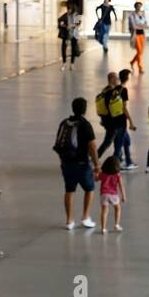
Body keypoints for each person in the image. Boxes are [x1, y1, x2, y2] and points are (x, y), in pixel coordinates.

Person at [53, 96, 99, 230]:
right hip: (82, 164)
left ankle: (69, 221)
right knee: (89, 189)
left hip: (67, 163)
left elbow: (59, 144)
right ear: (85, 110)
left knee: (69, 190)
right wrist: (96, 165)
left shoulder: (64, 123)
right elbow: (93, 146)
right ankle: (85, 217)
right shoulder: (85, 124)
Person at [98, 156, 126, 234]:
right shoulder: (117, 175)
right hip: (113, 194)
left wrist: (97, 172)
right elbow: (121, 186)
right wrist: (123, 196)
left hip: (104, 194)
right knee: (117, 208)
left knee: (104, 211)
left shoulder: (103, 174)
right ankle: (116, 225)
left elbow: (96, 179)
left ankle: (103, 228)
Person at [57, 1, 80, 70]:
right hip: (66, 34)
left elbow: (78, 23)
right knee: (63, 49)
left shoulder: (76, 15)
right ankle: (64, 63)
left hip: (74, 34)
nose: (69, 11)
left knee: (73, 49)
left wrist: (72, 25)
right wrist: (65, 26)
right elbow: (59, 21)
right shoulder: (65, 15)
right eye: (68, 9)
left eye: (70, 9)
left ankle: (72, 64)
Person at [126, 1, 147, 74]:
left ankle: (132, 62)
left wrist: (141, 26)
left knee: (141, 52)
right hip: (136, 35)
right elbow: (133, 26)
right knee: (139, 51)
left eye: (140, 6)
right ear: (135, 7)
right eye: (138, 6)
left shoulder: (142, 15)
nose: (139, 8)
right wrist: (141, 26)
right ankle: (140, 67)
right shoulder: (132, 15)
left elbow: (145, 24)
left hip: (142, 35)